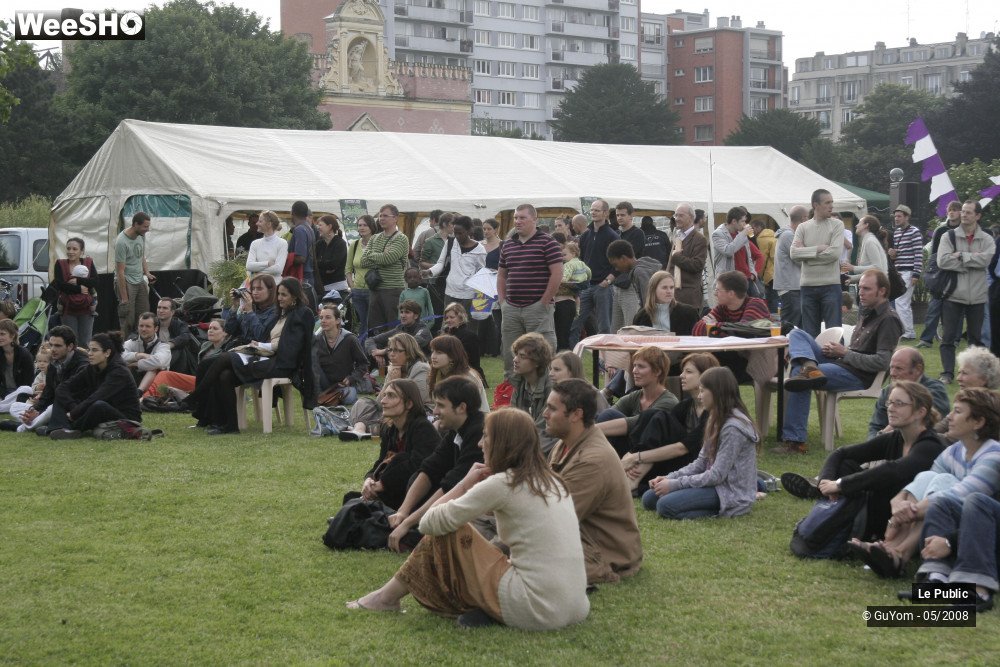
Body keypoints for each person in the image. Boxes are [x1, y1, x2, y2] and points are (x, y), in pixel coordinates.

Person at [347, 408, 589, 631]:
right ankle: (387, 597)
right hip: (575, 606)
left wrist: (463, 484)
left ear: (502, 444)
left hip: (535, 608)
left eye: (486, 437)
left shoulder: (503, 483)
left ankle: (386, 598)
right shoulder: (552, 481)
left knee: (450, 529)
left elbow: (430, 523)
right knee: (469, 535)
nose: (480, 443)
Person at [851, 388, 1000, 578]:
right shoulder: (956, 450)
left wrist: (905, 514)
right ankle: (892, 549)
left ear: (978, 422)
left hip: (981, 529)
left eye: (958, 412)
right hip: (949, 518)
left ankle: (899, 553)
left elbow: (961, 495)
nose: (950, 417)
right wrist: (899, 501)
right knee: (930, 479)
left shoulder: (993, 455)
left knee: (943, 486)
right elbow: (925, 479)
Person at [782, 381, 946, 542]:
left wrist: (841, 484)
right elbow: (842, 453)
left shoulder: (930, 445)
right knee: (845, 464)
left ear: (920, 412)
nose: (890, 408)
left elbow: (894, 470)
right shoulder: (897, 437)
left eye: (899, 403)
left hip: (904, 517)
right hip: (880, 509)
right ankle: (832, 516)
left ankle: (842, 527)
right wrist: (826, 481)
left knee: (881, 480)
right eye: (890, 403)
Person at [776, 270, 902, 454]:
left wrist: (844, 352)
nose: (861, 293)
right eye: (860, 288)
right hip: (843, 364)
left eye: (867, 289)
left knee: (799, 374)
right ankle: (810, 366)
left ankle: (795, 442)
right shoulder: (867, 313)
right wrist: (838, 353)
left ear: (882, 291)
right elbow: (857, 352)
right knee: (797, 333)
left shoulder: (889, 319)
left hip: (859, 375)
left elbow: (882, 362)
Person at [183, 278, 315, 435]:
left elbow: (290, 346)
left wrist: (260, 344)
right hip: (264, 356)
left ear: (294, 296)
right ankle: (230, 425)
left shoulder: (302, 313)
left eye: (283, 295)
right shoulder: (282, 312)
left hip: (281, 363)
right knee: (224, 374)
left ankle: (194, 398)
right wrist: (236, 307)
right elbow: (231, 329)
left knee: (224, 358)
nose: (279, 298)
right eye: (279, 294)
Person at [544, 378, 642, 584]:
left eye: (552, 409)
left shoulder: (592, 460)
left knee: (527, 563)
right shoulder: (565, 444)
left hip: (602, 553)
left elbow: (553, 519)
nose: (545, 414)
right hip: (581, 535)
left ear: (576, 415)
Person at [384, 376, 486, 552]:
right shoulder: (456, 430)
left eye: (440, 405)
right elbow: (430, 469)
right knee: (418, 477)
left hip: (483, 512)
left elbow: (453, 486)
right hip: (457, 500)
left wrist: (407, 522)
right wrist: (403, 511)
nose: (435, 412)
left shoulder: (479, 433)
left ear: (461, 408)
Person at [642, 367, 758, 520]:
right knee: (649, 498)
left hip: (728, 491)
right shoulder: (715, 418)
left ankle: (730, 509)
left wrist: (675, 485)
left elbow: (717, 475)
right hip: (713, 484)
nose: (699, 396)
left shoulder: (733, 428)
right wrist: (669, 478)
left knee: (665, 506)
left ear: (717, 393)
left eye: (703, 391)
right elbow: (700, 463)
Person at [622, 352, 718, 492]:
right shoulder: (685, 406)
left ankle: (632, 480)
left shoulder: (713, 411)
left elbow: (682, 448)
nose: (681, 376)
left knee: (661, 417)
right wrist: (632, 455)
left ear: (706, 376)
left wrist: (636, 457)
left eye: (688, 372)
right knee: (651, 415)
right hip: (677, 461)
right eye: (683, 371)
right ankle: (633, 478)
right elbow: (659, 432)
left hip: (698, 464)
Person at [497, 204, 562, 375]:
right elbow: (501, 275)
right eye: (516, 218)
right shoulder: (508, 245)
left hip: (537, 308)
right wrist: (503, 302)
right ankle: (513, 395)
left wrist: (544, 301)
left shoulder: (548, 242)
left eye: (522, 217)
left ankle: (544, 394)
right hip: (511, 308)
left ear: (535, 219)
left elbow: (557, 273)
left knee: (542, 355)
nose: (518, 221)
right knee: (511, 357)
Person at [358, 378, 440, 510]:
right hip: (394, 491)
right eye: (384, 395)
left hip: (417, 498)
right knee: (351, 500)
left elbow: (417, 467)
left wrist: (383, 484)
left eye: (391, 396)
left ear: (408, 404)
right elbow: (381, 462)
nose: (383, 401)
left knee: (401, 458)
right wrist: (369, 479)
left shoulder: (422, 428)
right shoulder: (390, 430)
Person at [937, 200, 995, 384]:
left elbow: (986, 261)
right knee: (948, 338)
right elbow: (943, 261)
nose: (963, 215)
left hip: (977, 296)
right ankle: (947, 373)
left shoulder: (987, 239)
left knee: (975, 339)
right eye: (963, 211)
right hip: (954, 294)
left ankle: (973, 374)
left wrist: (961, 256)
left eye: (969, 212)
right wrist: (972, 260)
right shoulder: (949, 236)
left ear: (978, 216)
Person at [46, 332, 142, 440]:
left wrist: (74, 413)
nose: (90, 354)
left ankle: (71, 429)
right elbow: (63, 387)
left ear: (107, 353)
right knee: (62, 394)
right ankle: (56, 428)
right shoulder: (92, 367)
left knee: (98, 405)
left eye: (94, 350)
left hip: (125, 418)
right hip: (100, 408)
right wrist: (73, 407)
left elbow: (99, 396)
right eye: (89, 350)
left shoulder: (119, 372)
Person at [596, 346, 678, 457]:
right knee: (607, 416)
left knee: (608, 417)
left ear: (658, 371)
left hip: (651, 455)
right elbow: (608, 415)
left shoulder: (668, 402)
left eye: (641, 366)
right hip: (632, 449)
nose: (634, 371)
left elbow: (637, 423)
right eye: (634, 366)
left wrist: (589, 432)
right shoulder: (636, 396)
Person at [691, 271, 770, 382]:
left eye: (718, 290)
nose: (715, 293)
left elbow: (743, 332)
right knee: (700, 361)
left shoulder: (755, 304)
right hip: (732, 357)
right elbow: (697, 329)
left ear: (731, 293)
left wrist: (715, 326)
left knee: (707, 365)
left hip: (754, 363)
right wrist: (721, 329)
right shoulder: (722, 308)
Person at [790, 189, 844, 337]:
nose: (831, 206)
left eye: (832, 202)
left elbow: (834, 254)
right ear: (816, 205)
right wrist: (818, 249)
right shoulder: (803, 227)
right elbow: (793, 253)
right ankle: (813, 361)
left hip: (831, 286)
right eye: (827, 202)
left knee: (834, 333)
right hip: (808, 287)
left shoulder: (837, 225)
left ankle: (835, 361)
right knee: (810, 335)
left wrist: (806, 254)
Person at [141, 318, 236, 402]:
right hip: (199, 380)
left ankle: (145, 398)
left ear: (225, 332)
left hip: (213, 383)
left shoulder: (228, 348)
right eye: (209, 328)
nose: (210, 331)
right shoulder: (205, 346)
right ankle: (148, 397)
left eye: (215, 329)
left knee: (165, 375)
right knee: (163, 373)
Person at [866, 348, 950, 439]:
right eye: (891, 367)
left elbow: (923, 422)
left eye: (899, 368)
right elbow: (875, 426)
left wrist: (886, 433)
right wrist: (873, 444)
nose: (892, 373)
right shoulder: (888, 391)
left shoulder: (934, 390)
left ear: (918, 369)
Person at [17, 326, 88, 432]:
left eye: (58, 346)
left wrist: (40, 411)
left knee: (51, 409)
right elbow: (47, 393)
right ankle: (37, 420)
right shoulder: (53, 364)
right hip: (53, 406)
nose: (53, 349)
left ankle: (25, 426)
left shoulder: (82, 365)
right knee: (16, 407)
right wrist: (34, 409)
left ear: (70, 346)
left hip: (71, 408)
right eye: (51, 345)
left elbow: (72, 395)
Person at [569, 199, 619, 348]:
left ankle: (605, 363)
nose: (593, 213)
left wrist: (609, 280)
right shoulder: (585, 236)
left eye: (597, 210)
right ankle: (571, 358)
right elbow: (581, 261)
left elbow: (620, 263)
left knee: (604, 327)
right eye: (592, 210)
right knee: (575, 323)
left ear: (605, 213)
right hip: (586, 287)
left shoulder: (613, 236)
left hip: (603, 287)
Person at [424, 215, 486, 333]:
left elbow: (481, 273)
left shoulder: (480, 250)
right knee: (448, 325)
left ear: (469, 231)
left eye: (460, 233)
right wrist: (430, 271)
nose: (457, 236)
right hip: (450, 292)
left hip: (469, 294)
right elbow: (441, 263)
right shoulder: (451, 242)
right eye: (455, 233)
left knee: (468, 327)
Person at [918, 201, 963, 349]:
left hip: (958, 273)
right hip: (940, 273)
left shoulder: (966, 230)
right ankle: (926, 339)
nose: (952, 212)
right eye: (950, 209)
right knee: (934, 308)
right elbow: (934, 255)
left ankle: (954, 339)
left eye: (955, 210)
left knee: (956, 309)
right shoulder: (940, 230)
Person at [361, 204, 410, 333]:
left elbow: (388, 258)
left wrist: (374, 256)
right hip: (375, 289)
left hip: (392, 290)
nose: (381, 218)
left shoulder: (401, 238)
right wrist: (381, 256)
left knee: (393, 328)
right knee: (375, 328)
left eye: (385, 216)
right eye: (380, 215)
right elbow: (363, 261)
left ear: (395, 218)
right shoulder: (374, 238)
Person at [510, 332, 557, 454]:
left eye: (522, 356)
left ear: (537, 362)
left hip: (548, 440)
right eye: (516, 355)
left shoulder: (552, 387)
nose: (515, 360)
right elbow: (513, 420)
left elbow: (544, 427)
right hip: (528, 437)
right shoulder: (520, 383)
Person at [312, 304, 367, 406]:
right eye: (321, 318)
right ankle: (321, 396)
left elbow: (363, 364)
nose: (323, 321)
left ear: (338, 320)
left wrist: (351, 378)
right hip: (323, 384)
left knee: (349, 398)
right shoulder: (316, 340)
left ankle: (328, 398)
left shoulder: (350, 339)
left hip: (344, 385)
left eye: (328, 317)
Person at [115, 211, 155, 336]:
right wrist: (125, 298)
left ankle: (143, 346)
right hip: (126, 281)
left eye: (148, 226)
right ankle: (126, 351)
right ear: (136, 224)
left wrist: (147, 273)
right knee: (128, 319)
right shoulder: (121, 242)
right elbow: (120, 271)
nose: (147, 230)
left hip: (139, 280)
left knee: (144, 316)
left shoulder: (140, 236)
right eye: (145, 226)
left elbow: (141, 256)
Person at [607, 240, 661, 333]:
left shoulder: (639, 272)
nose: (616, 269)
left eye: (615, 264)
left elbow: (648, 301)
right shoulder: (644, 264)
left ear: (623, 258)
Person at [888, 204, 923, 340]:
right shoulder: (897, 232)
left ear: (907, 217)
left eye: (899, 216)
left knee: (902, 303)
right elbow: (896, 255)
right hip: (899, 271)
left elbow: (918, 253)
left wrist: (916, 273)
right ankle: (906, 331)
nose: (896, 219)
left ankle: (908, 332)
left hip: (908, 271)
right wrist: (892, 254)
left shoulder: (914, 232)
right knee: (901, 303)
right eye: (895, 216)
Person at [427, 335, 489, 414]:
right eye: (433, 351)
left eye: (439, 353)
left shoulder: (467, 378)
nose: (433, 356)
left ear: (452, 356)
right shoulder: (437, 373)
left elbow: (468, 411)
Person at [53, 237, 97, 346]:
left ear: (82, 251)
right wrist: (79, 288)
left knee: (85, 341)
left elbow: (95, 282)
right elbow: (60, 285)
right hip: (68, 308)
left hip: (86, 308)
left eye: (74, 249)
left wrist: (78, 280)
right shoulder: (60, 264)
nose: (70, 252)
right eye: (68, 249)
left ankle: (84, 362)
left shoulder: (88, 262)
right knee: (70, 341)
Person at [665, 203, 708, 309]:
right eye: (676, 215)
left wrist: (677, 258)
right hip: (672, 296)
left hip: (688, 299)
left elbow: (697, 265)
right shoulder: (677, 236)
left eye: (681, 215)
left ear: (691, 218)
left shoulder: (699, 239)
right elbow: (670, 265)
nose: (677, 218)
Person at [631, 271, 699, 335]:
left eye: (671, 287)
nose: (669, 291)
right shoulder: (641, 316)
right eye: (664, 288)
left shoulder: (689, 313)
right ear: (653, 290)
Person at [365, 301, 432, 366]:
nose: (403, 316)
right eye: (401, 312)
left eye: (407, 312)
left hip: (421, 363)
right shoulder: (400, 328)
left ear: (416, 316)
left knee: (401, 350)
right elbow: (370, 340)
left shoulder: (423, 329)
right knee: (375, 346)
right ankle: (367, 373)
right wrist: (375, 353)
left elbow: (410, 343)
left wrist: (384, 351)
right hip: (403, 362)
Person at [774, 205, 807, 331]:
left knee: (794, 325)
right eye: (808, 218)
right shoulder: (789, 236)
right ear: (804, 219)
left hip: (792, 287)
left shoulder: (789, 234)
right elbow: (801, 260)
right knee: (790, 327)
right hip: (791, 287)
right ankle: (783, 350)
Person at [712, 206, 762, 288]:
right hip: (729, 281)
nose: (745, 224)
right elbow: (728, 251)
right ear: (734, 221)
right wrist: (743, 234)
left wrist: (753, 273)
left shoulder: (741, 234)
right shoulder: (718, 234)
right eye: (742, 221)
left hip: (746, 279)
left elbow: (748, 257)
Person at [346, 214, 379, 338]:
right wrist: (352, 286)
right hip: (357, 291)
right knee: (362, 322)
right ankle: (363, 349)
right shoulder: (354, 245)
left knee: (371, 322)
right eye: (359, 225)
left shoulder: (378, 243)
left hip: (373, 290)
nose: (362, 227)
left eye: (365, 225)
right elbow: (348, 269)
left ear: (371, 226)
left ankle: (366, 349)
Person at [121, 313, 171, 394]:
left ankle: (139, 393)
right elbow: (120, 356)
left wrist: (136, 364)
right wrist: (139, 355)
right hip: (133, 380)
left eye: (148, 326)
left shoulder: (163, 346)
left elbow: (159, 362)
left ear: (156, 329)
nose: (143, 329)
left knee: (154, 368)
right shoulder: (131, 342)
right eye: (141, 326)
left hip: (157, 387)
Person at [554, 241, 590, 352]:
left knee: (561, 333)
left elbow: (564, 278)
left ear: (573, 254)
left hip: (564, 301)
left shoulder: (567, 265)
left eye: (564, 255)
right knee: (566, 331)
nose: (562, 257)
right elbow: (589, 272)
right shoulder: (582, 264)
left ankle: (564, 354)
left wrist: (561, 281)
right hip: (572, 300)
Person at [225, 274, 279, 345]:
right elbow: (230, 330)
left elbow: (261, 337)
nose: (255, 292)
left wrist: (250, 312)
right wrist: (235, 306)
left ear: (270, 291)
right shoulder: (251, 306)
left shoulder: (275, 311)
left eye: (259, 289)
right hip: (239, 347)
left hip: (256, 351)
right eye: (253, 289)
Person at [440, 302, 485, 385]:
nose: (448, 320)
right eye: (446, 318)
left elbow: (472, 361)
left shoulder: (470, 336)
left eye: (452, 317)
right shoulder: (443, 334)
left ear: (461, 318)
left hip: (466, 375)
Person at [154, 298, 199, 375]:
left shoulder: (179, 324)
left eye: (165, 308)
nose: (160, 311)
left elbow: (185, 336)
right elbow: (136, 334)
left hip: (178, 363)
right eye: (159, 307)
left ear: (172, 312)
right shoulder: (152, 323)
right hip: (155, 357)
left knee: (178, 349)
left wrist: (169, 345)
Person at [842, 215, 888, 283]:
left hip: (876, 285)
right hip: (873, 284)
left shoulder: (870, 241)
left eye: (859, 223)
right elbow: (870, 272)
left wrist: (853, 268)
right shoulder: (867, 240)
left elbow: (877, 268)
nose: (856, 226)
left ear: (866, 225)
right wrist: (852, 278)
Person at [245, 211, 288, 283]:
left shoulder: (282, 243)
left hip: (275, 286)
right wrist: (267, 263)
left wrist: (257, 273)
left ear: (269, 224)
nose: (257, 223)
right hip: (258, 286)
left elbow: (278, 269)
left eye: (260, 221)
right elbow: (249, 266)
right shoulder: (255, 243)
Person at [0, 319, 34, 402]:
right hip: (4, 392)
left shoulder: (24, 355)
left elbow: (28, 382)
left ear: (12, 336)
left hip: (19, 393)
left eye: (2, 334)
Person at [314, 213, 348, 296]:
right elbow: (313, 263)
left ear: (329, 226)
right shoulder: (319, 244)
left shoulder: (340, 243)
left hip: (338, 288)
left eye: (320, 225)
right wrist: (324, 267)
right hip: (322, 288)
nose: (318, 228)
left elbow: (333, 264)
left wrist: (320, 264)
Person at [286, 200, 316, 289]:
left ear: (292, 212)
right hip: (308, 275)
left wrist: (284, 257)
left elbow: (301, 258)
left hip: (301, 276)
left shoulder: (299, 230)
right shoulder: (309, 228)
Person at [750, 219, 777, 311]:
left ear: (758, 227)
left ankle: (772, 319)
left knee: (771, 299)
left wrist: (758, 275)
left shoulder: (761, 239)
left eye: (753, 228)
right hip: (777, 272)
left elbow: (762, 258)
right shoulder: (773, 236)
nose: (751, 231)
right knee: (776, 298)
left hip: (769, 274)